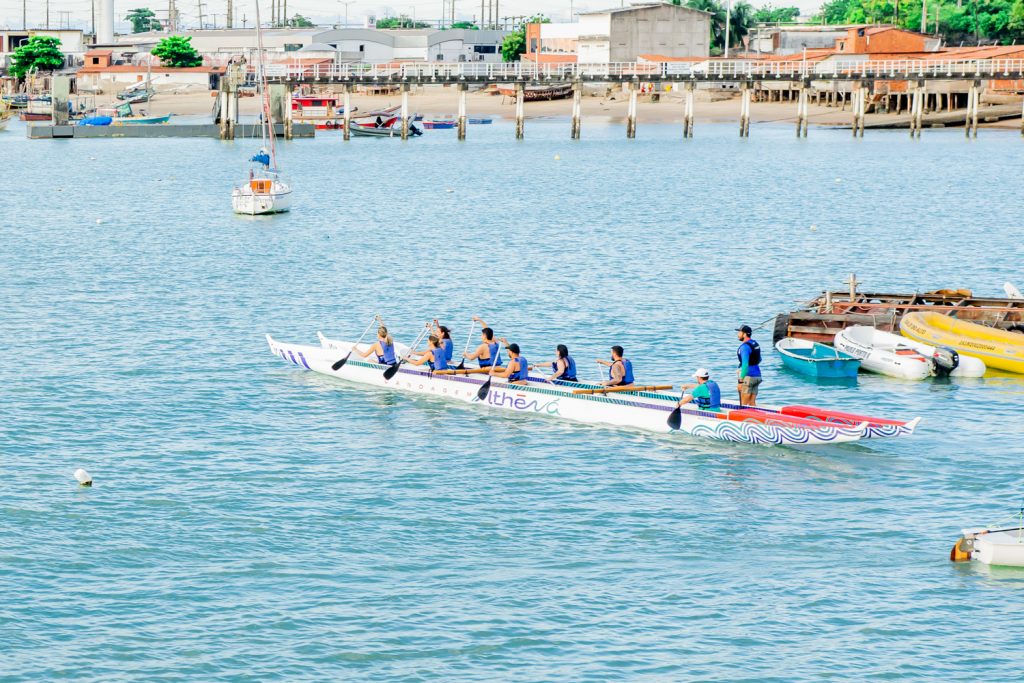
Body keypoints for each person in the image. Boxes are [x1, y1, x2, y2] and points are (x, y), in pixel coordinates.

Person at [736, 324, 762, 406]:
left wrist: (740, 381)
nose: (738, 334)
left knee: (743, 404)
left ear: (745, 334)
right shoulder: (755, 344)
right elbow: (759, 359)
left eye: (739, 332)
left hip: (748, 378)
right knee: (752, 403)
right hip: (757, 376)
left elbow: (745, 365)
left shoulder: (744, 347)